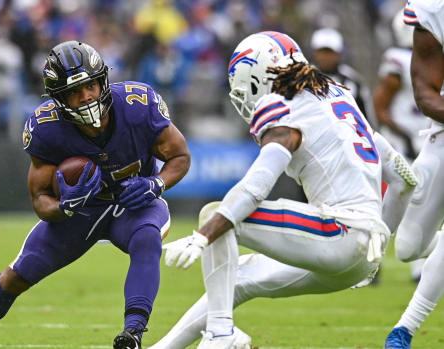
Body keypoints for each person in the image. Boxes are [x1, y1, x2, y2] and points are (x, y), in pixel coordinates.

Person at [150, 31, 417, 349]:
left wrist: (204, 234)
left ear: (257, 74)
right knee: (235, 278)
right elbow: (404, 178)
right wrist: (378, 245)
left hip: (338, 233)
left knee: (216, 214)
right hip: (358, 251)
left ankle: (221, 336)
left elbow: (255, 189)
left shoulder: (282, 104)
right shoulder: (338, 95)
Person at [0, 41, 190, 349]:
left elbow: (180, 156)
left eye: (90, 86)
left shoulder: (138, 105)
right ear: (60, 99)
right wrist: (65, 206)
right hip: (82, 211)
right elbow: (39, 199)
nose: (85, 97)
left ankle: (133, 333)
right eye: (74, 92)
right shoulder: (47, 128)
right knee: (18, 274)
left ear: (103, 82)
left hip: (133, 203)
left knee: (147, 238)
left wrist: (156, 184)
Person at [384, 1, 444, 348]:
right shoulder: (433, 9)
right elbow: (425, 93)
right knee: (408, 248)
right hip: (440, 138)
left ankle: (402, 330)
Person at [374, 9, 431, 284]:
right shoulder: (397, 59)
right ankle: (376, 263)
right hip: (401, 142)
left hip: (424, 138)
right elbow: (381, 106)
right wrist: (402, 136)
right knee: (409, 201)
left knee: (424, 201)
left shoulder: (431, 57)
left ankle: (421, 263)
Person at [311, 28, 376, 127]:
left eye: (330, 52)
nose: (326, 57)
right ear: (315, 53)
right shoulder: (302, 79)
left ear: (339, 53)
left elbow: (366, 117)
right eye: (322, 52)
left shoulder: (353, 81)